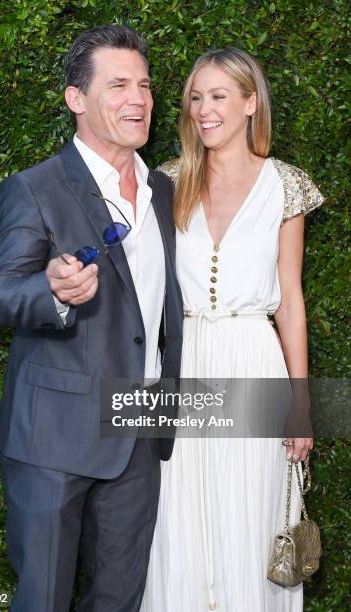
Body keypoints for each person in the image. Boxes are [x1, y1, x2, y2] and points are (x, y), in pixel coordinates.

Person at [0, 24, 183, 612]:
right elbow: (1, 294)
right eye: (119, 84)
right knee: (42, 599)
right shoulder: (36, 188)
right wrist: (54, 292)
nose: (139, 99)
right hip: (53, 438)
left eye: (145, 85)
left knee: (119, 600)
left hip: (142, 430)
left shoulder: (163, 191)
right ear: (77, 99)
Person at [141, 47, 324, 611]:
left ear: (250, 103)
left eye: (218, 96)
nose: (204, 109)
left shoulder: (286, 186)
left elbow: (289, 301)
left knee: (251, 510)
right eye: (196, 97)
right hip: (184, 362)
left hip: (254, 358)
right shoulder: (164, 183)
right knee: (178, 517)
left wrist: (299, 401)